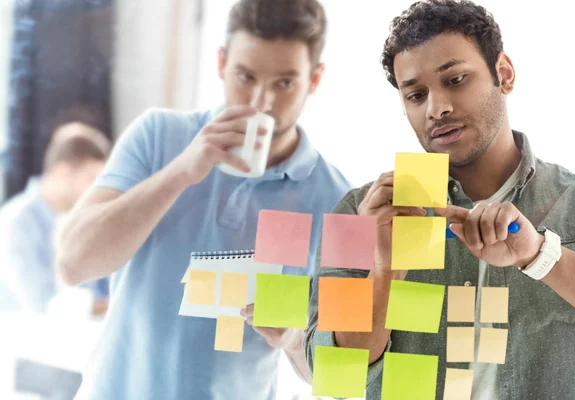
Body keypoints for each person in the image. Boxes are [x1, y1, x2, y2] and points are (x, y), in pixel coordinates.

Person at [304, 1, 575, 399]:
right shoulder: (361, 213)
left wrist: (539, 255)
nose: (436, 108)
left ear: (504, 75)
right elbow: (334, 375)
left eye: (456, 79)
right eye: (415, 94)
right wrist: (385, 268)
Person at [57, 0, 350, 399]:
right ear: (221, 63)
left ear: (314, 80)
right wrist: (181, 171)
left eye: (284, 83)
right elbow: (74, 264)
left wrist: (294, 339)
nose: (261, 102)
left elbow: (340, 374)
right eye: (245, 76)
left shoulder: (336, 200)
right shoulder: (158, 135)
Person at [0, 122, 111, 315]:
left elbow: (104, 285)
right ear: (63, 171)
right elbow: (43, 306)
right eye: (92, 179)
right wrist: (112, 305)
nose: (98, 190)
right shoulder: (16, 223)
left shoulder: (79, 221)